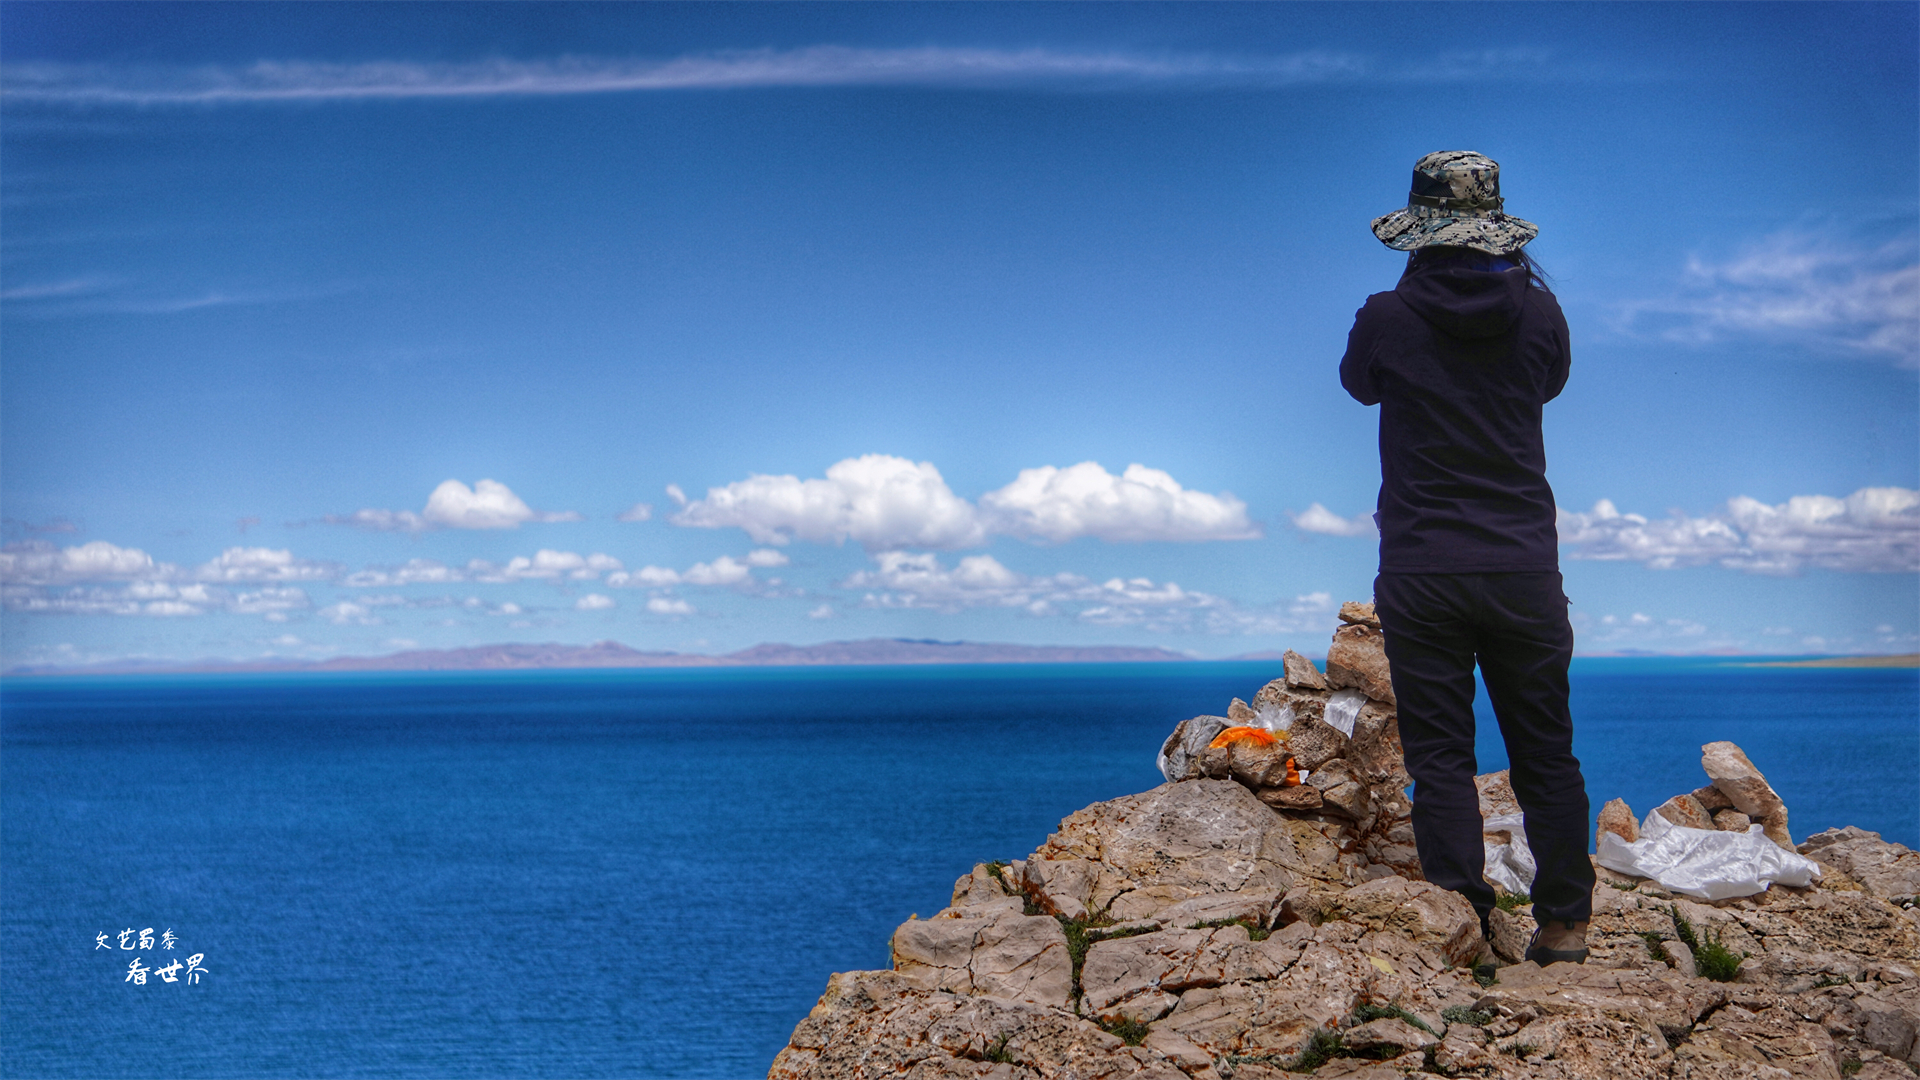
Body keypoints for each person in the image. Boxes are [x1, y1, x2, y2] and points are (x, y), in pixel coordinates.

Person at [1339, 150, 1594, 966]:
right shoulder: (1542, 314)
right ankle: (1564, 924)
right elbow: (1548, 386)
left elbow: (1358, 386)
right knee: (1545, 752)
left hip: (1422, 567)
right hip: (1523, 566)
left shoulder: (1386, 314)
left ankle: (1467, 928)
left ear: (1419, 230)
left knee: (1441, 756)